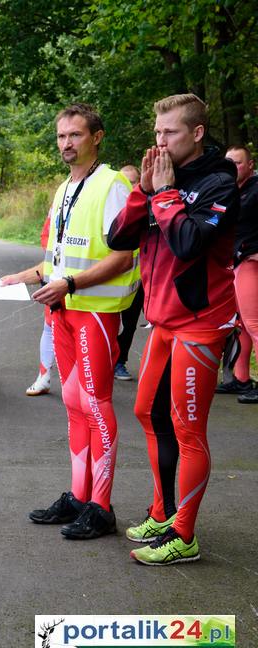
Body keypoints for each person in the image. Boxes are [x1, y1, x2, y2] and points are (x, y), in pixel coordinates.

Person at [108, 93, 240, 565]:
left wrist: (163, 195)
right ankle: (165, 512)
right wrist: (144, 192)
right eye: (157, 132)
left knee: (188, 429)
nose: (159, 142)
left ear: (197, 133)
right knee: (147, 413)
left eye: (170, 133)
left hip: (200, 324)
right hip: (163, 320)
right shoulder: (163, 179)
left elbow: (187, 243)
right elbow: (118, 239)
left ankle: (184, 535)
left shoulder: (219, 183)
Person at [2, 103, 136, 540]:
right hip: (63, 311)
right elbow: (56, 258)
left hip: (95, 312)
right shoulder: (63, 189)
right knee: (74, 404)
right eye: (61, 136)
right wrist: (26, 275)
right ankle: (80, 495)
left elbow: (123, 256)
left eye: (75, 135)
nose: (66, 143)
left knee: (96, 406)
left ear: (96, 137)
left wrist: (71, 284)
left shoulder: (114, 185)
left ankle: (102, 506)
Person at [221, 146, 258, 403]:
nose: (233, 167)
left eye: (238, 163)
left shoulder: (256, 189)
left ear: (250, 165)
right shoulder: (232, 190)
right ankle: (241, 379)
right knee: (241, 325)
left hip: (250, 263)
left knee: (255, 325)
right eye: (228, 163)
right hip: (235, 263)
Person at [113, 164, 145, 382]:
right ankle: (105, 359)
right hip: (111, 277)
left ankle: (120, 361)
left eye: (133, 181)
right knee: (109, 323)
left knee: (130, 323)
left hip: (138, 279)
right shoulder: (111, 207)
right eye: (124, 180)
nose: (128, 185)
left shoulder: (147, 207)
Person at [25, 216, 56, 396]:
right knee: (49, 325)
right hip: (56, 271)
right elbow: (47, 233)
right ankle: (43, 376)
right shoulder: (62, 194)